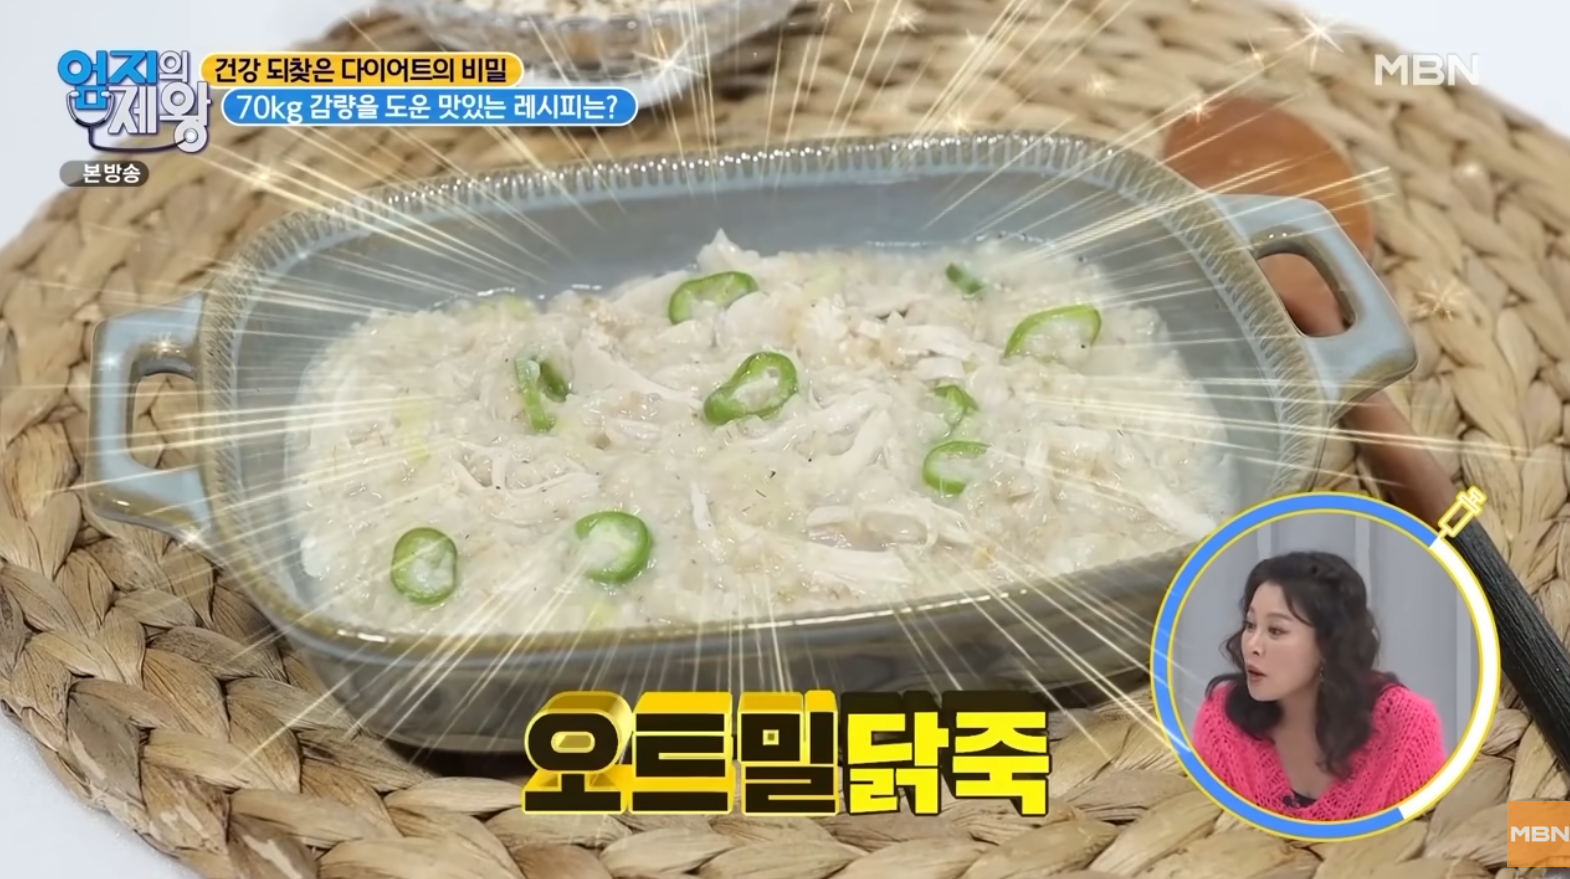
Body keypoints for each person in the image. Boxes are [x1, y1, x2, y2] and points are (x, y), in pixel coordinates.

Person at [1190, 550, 1448, 820]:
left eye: (1276, 630)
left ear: (1328, 645)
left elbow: (1425, 835)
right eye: (1250, 625)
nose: (1252, 645)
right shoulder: (1222, 717)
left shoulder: (1406, 725)